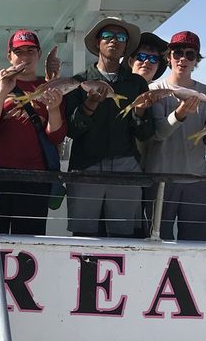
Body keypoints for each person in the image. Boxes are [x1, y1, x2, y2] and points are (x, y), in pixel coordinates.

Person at [63, 17, 154, 238]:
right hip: (86, 164)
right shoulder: (80, 81)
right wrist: (89, 105)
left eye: (121, 37)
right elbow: (72, 131)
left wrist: (140, 113)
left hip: (125, 164)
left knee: (124, 235)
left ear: (125, 46)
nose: (114, 41)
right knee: (83, 234)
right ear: (97, 43)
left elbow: (145, 133)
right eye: (107, 36)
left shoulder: (137, 84)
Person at [0, 30, 65, 235]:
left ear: (39, 54)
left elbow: (57, 137)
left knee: (30, 242)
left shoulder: (51, 88)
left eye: (30, 51)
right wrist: (4, 90)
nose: (24, 57)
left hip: (36, 179)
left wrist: (53, 109)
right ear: (9, 56)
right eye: (19, 51)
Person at [142, 31, 206, 240]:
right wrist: (180, 113)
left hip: (198, 181)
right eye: (177, 53)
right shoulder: (153, 90)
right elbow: (158, 134)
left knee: (197, 247)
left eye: (190, 55)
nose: (183, 58)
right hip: (160, 180)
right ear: (169, 57)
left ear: (196, 61)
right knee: (155, 244)